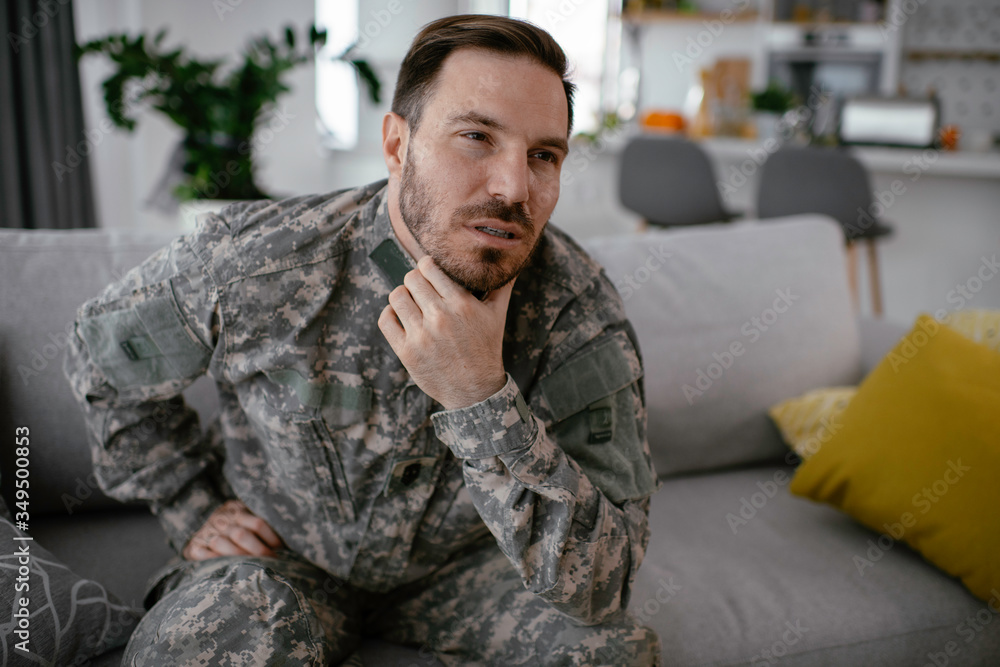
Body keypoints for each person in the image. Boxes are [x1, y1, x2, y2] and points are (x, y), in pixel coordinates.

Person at [64, 14, 661, 667]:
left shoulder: (578, 308)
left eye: (543, 155)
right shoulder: (259, 260)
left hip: (468, 572)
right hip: (278, 561)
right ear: (398, 145)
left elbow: (605, 582)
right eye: (475, 137)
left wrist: (479, 396)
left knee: (610, 652)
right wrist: (187, 500)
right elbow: (104, 355)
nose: (513, 187)